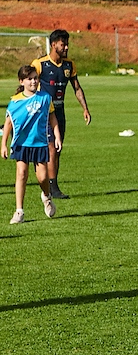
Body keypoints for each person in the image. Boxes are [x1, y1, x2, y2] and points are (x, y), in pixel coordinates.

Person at [31, 29, 91, 199]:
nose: (66, 48)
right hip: (43, 114)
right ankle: (52, 188)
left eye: (67, 44)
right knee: (50, 147)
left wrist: (85, 108)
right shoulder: (40, 64)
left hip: (60, 111)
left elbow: (77, 88)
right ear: (53, 45)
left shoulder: (69, 65)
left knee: (56, 149)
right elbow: (27, 85)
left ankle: (51, 184)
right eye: (63, 44)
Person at [2, 65, 61, 224]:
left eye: (35, 78)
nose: (33, 81)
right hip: (21, 144)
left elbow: (52, 118)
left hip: (40, 143)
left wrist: (57, 136)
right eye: (29, 79)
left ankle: (46, 197)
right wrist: (4, 145)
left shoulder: (45, 98)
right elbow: (8, 124)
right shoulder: (15, 101)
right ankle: (19, 211)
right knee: (21, 174)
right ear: (21, 81)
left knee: (42, 178)